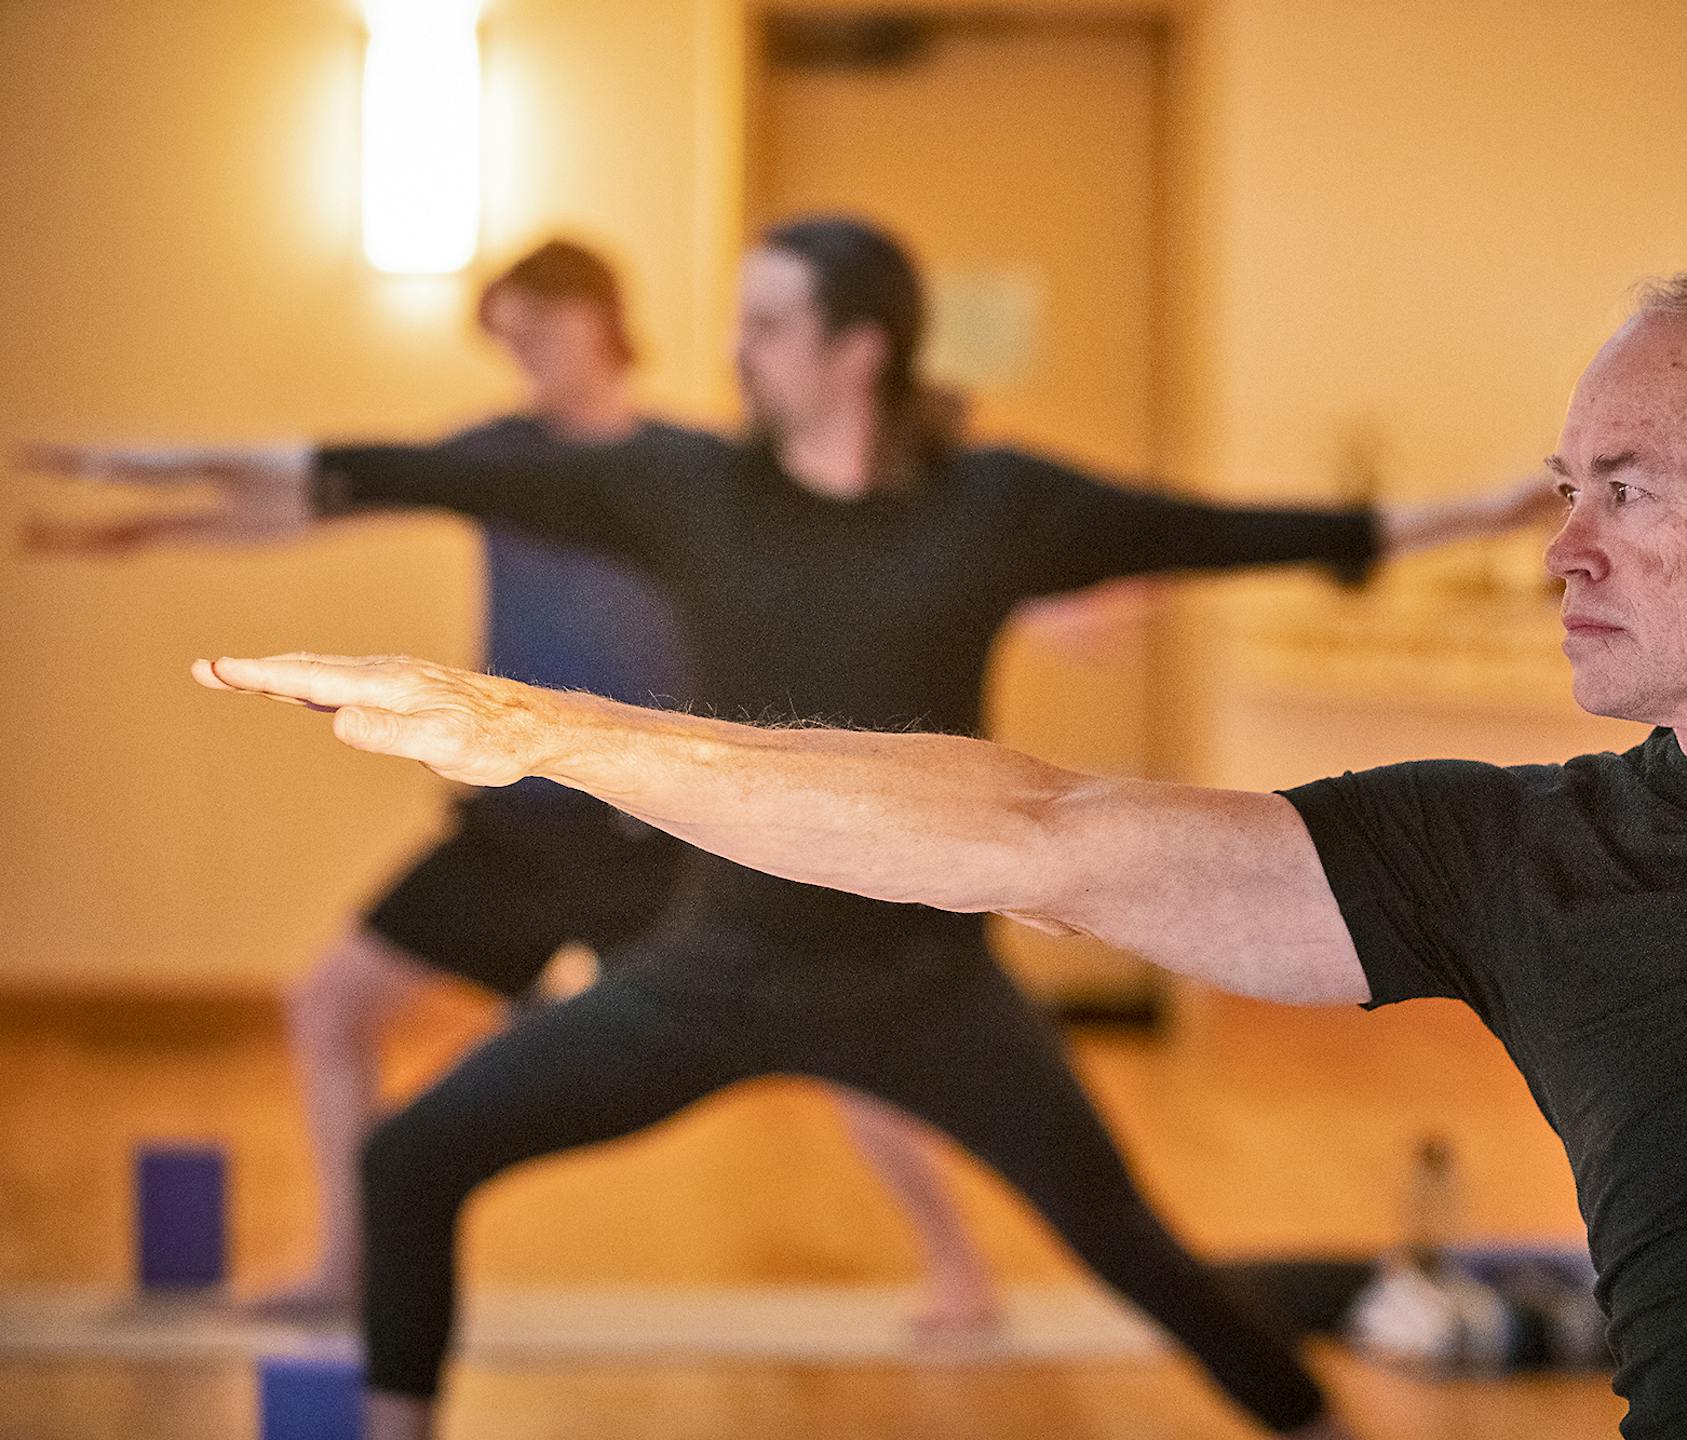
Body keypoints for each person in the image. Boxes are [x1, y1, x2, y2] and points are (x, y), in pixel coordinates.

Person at [190, 256, 1687, 1440]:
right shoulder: (1508, 862)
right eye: (1564, 490)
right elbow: (1037, 833)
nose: (1561, 549)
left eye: (1626, 490)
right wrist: (550, 734)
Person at [34, 214, 1555, 1440]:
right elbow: (421, 472)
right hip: (716, 968)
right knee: (415, 1159)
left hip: (926, 989)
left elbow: (1236, 531)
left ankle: (1313, 1424)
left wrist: (1484, 510)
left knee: (1145, 1260)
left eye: (765, 324)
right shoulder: (688, 492)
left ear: (856, 347)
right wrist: (178, 472)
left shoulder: (994, 509)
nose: (734, 350)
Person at [23, 236, 1006, 1336]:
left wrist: (1035, 594)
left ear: (599, 318)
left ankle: (958, 1268)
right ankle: (346, 1264)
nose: (525, 353)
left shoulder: (688, 469)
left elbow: (861, 542)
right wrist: (159, 524)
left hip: (660, 830)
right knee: (331, 1005)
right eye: (508, 337)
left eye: (540, 327)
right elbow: (321, 497)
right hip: (517, 823)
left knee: (829, 1032)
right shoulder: (497, 457)